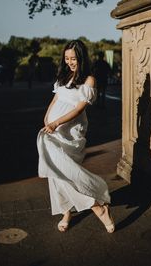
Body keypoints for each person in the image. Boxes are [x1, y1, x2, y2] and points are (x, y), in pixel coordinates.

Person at [37, 40, 115, 233]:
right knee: (56, 171)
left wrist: (56, 122)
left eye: (73, 58)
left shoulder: (89, 80)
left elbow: (79, 109)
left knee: (67, 172)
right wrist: (47, 117)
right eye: (67, 58)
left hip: (70, 131)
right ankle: (75, 210)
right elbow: (55, 99)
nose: (70, 62)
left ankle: (93, 206)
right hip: (52, 131)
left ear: (81, 58)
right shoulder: (63, 77)